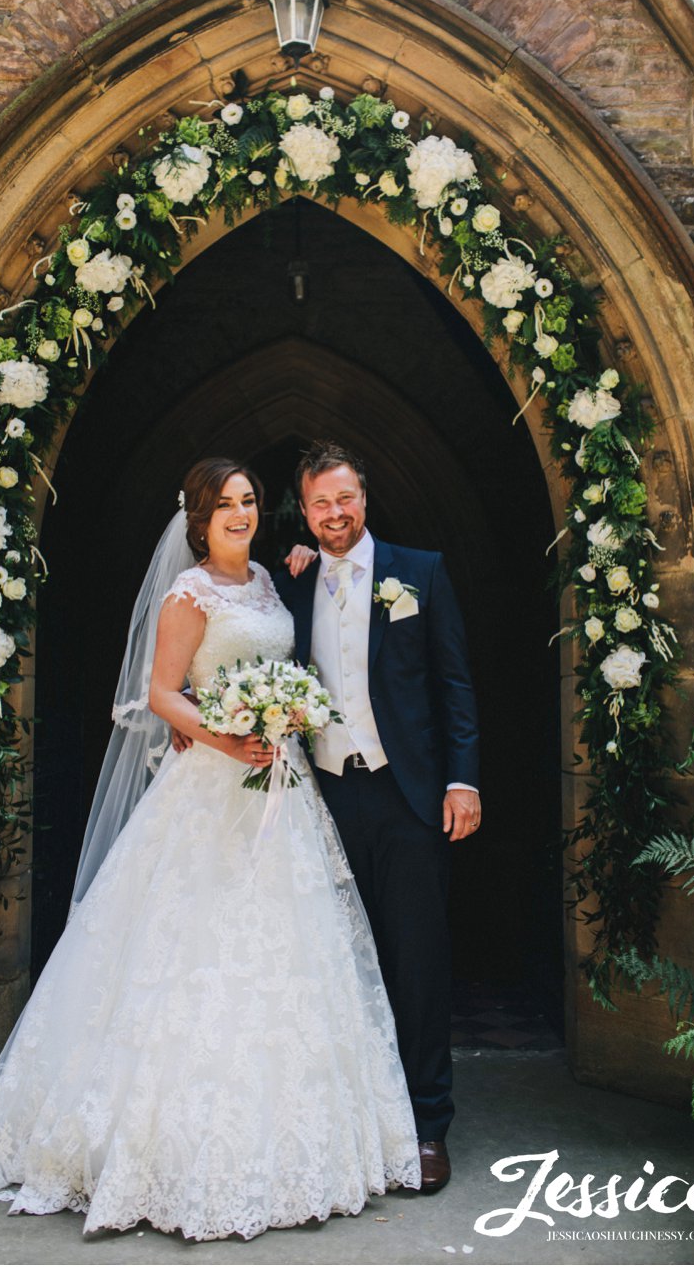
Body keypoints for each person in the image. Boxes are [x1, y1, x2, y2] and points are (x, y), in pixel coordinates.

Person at [0, 459, 420, 1240]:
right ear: (198, 519)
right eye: (224, 505)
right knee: (185, 952)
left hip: (281, 791)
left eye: (248, 501)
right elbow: (160, 690)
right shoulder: (187, 592)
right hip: (209, 786)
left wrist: (288, 712)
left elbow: (290, 659)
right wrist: (223, 735)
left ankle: (303, 1142)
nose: (239, 513)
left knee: (292, 956)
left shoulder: (273, 580)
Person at [275, 440, 480, 1193]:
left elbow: (455, 684)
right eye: (321, 503)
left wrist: (463, 781)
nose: (336, 513)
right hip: (324, 798)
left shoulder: (418, 571)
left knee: (418, 960)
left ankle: (427, 1127)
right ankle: (354, 1119)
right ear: (304, 511)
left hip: (407, 794)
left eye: (346, 497)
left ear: (366, 495)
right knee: (331, 964)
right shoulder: (290, 582)